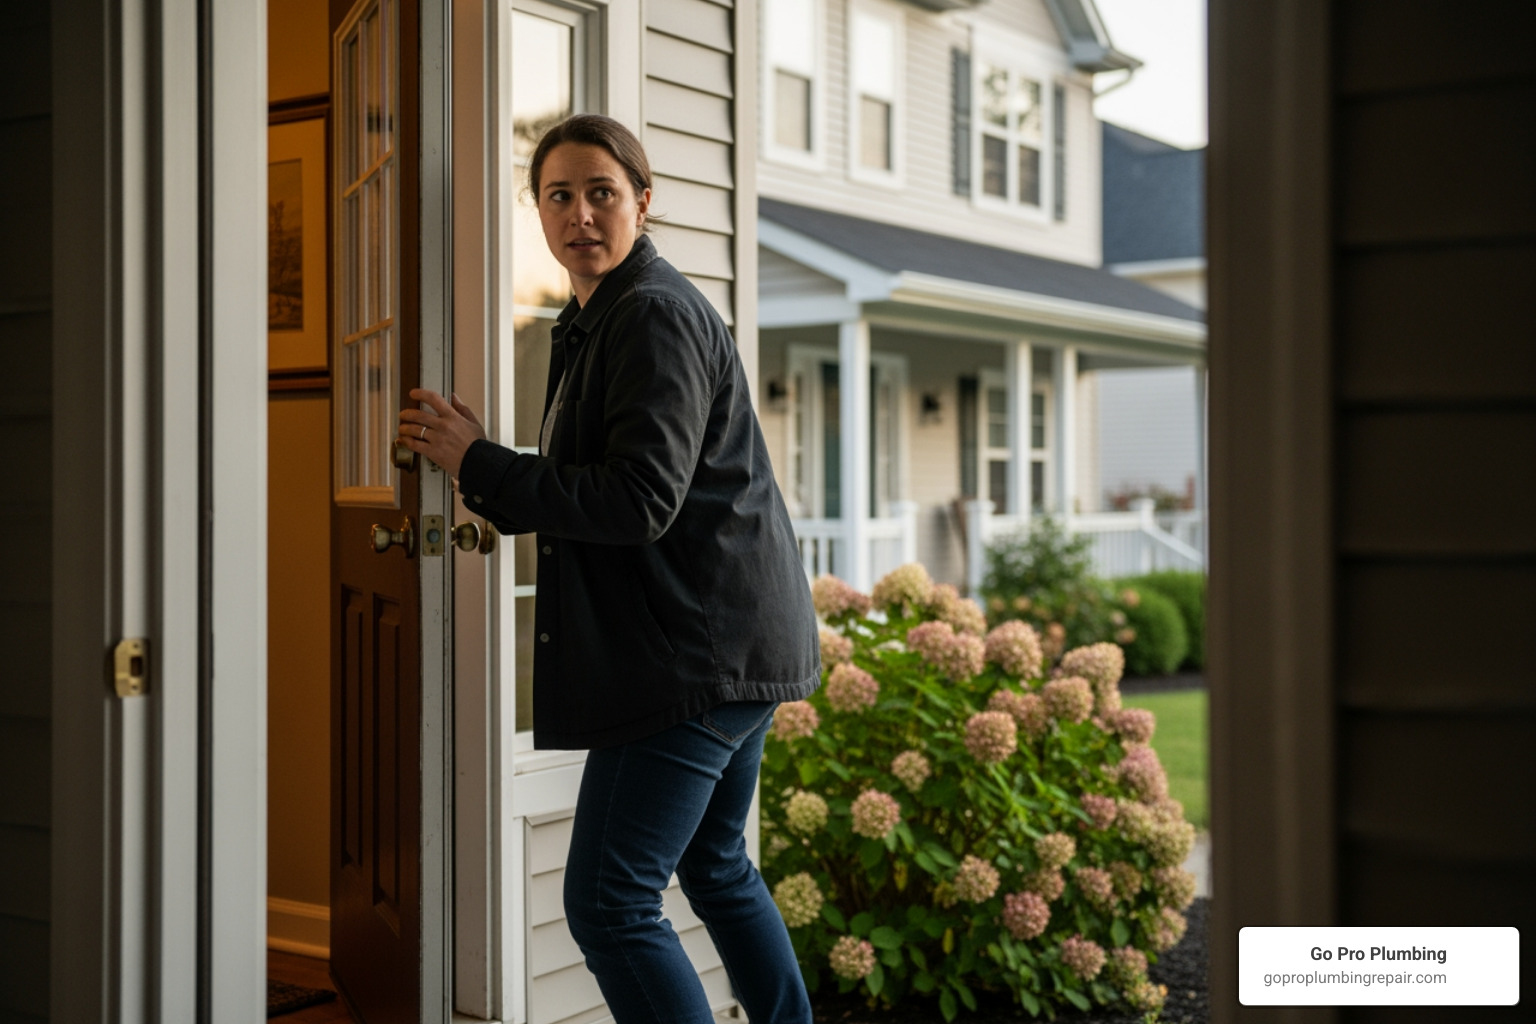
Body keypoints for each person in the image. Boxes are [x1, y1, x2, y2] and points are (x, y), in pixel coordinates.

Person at [396, 114, 820, 1024]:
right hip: (730, 644)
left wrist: (481, 462)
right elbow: (598, 481)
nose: (580, 214)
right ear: (537, 210)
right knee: (715, 865)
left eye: (602, 193)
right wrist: (483, 469)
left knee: (607, 902)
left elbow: (637, 500)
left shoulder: (651, 315)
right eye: (559, 195)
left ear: (643, 201)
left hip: (696, 657)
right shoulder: (596, 319)